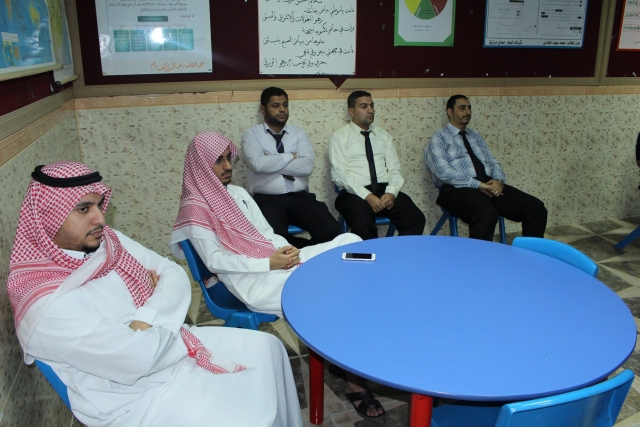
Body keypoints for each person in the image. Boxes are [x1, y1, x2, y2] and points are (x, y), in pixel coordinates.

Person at [8, 162, 302, 427]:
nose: (100, 218)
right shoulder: (47, 306)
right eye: (84, 209)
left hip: (170, 344)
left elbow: (174, 274)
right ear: (47, 217)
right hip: (135, 399)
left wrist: (146, 317)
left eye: (98, 205)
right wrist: (156, 298)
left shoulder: (106, 242)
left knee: (269, 347)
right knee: (254, 417)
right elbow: (139, 359)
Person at [169, 131, 386, 419]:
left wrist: (285, 251)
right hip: (253, 282)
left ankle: (348, 344)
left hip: (275, 262)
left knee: (351, 242)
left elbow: (267, 234)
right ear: (201, 165)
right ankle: (354, 378)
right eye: (218, 160)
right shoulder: (195, 208)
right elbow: (216, 261)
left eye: (228, 158)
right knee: (330, 291)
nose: (228, 166)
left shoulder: (237, 194)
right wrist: (269, 263)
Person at [425, 94, 547, 241]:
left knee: (535, 208)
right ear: (450, 112)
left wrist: (498, 181)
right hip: (456, 189)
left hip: (488, 185)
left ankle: (531, 252)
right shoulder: (439, 138)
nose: (467, 112)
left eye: (469, 108)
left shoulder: (475, 136)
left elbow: (492, 162)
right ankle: (480, 255)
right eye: (462, 108)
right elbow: (443, 172)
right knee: (486, 213)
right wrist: (478, 185)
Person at [241, 87, 341, 248]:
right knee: (274, 241)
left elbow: (306, 167)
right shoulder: (251, 135)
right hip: (268, 200)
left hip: (300, 197)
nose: (282, 109)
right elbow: (257, 165)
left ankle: (305, 253)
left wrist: (269, 161)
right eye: (276, 105)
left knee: (332, 231)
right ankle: (303, 251)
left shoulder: (299, 133)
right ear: (263, 109)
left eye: (285, 105)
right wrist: (290, 156)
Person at [328, 90, 426, 240]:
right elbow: (339, 175)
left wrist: (392, 192)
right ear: (351, 111)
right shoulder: (339, 137)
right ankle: (372, 255)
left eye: (372, 106)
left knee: (416, 218)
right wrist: (368, 196)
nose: (370, 110)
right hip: (354, 193)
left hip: (383, 190)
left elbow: (395, 169)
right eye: (364, 106)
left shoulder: (383, 136)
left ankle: (398, 253)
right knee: (363, 224)